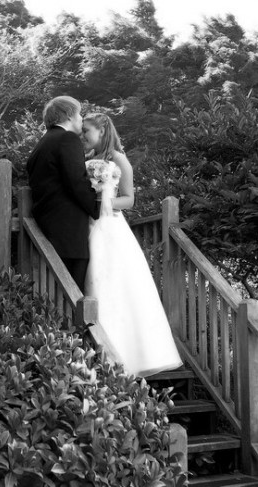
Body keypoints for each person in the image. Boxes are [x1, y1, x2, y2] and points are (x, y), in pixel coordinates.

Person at [83, 112, 183, 377]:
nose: (83, 136)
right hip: (89, 225)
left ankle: (125, 354)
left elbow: (128, 200)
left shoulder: (119, 160)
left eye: (86, 131)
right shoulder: (86, 160)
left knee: (115, 284)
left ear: (101, 131)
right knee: (93, 280)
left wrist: (101, 202)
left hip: (111, 227)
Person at [26, 96, 100, 292]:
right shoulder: (67, 139)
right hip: (69, 233)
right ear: (69, 116)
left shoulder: (41, 145)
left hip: (49, 226)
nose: (81, 119)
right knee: (72, 296)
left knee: (52, 294)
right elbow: (77, 182)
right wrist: (98, 210)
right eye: (79, 114)